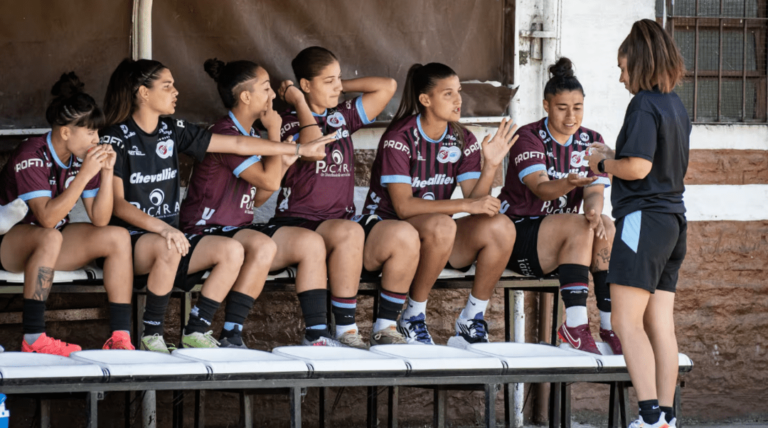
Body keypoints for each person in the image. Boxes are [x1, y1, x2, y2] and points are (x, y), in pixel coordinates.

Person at [101, 58, 335, 353]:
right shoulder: (115, 136)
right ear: (143, 93)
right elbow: (117, 206)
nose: (176, 91)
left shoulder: (172, 129)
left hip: (176, 241)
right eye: (167, 85)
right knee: (178, 245)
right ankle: (152, 335)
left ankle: (198, 330)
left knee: (232, 249)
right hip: (133, 243)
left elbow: (236, 145)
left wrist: (298, 149)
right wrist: (164, 230)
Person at [179, 58, 336, 347]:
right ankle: (218, 331)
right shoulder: (226, 132)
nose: (273, 96)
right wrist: (276, 133)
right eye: (266, 89)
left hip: (236, 229)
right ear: (246, 96)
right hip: (204, 233)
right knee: (262, 244)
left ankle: (317, 336)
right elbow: (269, 183)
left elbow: (256, 198)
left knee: (310, 243)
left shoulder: (251, 133)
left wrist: (284, 163)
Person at [363, 63, 518, 348]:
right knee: (443, 224)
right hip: (387, 234)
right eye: (448, 94)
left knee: (500, 226)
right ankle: (412, 317)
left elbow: (477, 200)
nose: (458, 100)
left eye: (458, 92)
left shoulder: (463, 138)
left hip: (436, 236)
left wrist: (491, 166)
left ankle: (471, 319)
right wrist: (465, 205)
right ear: (425, 100)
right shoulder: (399, 137)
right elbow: (404, 208)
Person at [274, 46, 421, 347]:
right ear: (305, 84)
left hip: (343, 226)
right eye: (328, 80)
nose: (338, 86)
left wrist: (338, 87)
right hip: (301, 224)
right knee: (349, 230)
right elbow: (313, 147)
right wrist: (301, 102)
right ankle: (345, 331)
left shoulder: (342, 116)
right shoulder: (286, 121)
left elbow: (387, 86)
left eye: (338, 78)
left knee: (404, 233)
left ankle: (385, 328)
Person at [586, 19, 689, 428]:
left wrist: (602, 163)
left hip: (641, 221)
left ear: (639, 62)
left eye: (623, 67)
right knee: (660, 324)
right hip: (673, 221)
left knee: (627, 322)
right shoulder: (675, 105)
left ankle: (647, 417)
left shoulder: (643, 104)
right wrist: (615, 153)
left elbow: (638, 166)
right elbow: (654, 163)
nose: (620, 75)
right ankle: (664, 418)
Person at [0, 72, 134, 355]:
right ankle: (34, 339)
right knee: (49, 236)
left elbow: (100, 219)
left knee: (117, 237)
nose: (97, 139)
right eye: (90, 132)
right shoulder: (31, 152)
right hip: (9, 244)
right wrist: (84, 175)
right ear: (65, 132)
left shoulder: (78, 158)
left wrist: (106, 173)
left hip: (50, 244)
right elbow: (47, 218)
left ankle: (120, 338)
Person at [497, 57, 621, 355]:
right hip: (516, 234)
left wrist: (592, 211)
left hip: (564, 240)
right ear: (546, 106)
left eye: (577, 107)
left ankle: (609, 325)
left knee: (605, 224)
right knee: (579, 225)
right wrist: (568, 183)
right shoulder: (527, 137)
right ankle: (575, 326)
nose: (570, 116)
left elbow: (594, 191)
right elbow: (541, 188)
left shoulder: (592, 140)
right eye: (562, 107)